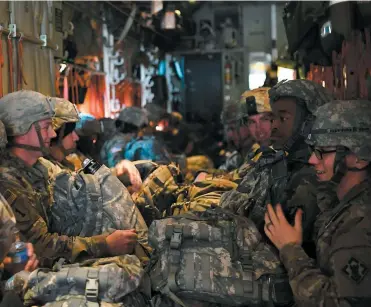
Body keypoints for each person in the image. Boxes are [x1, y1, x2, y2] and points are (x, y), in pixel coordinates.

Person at [0, 91, 144, 268]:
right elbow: (42, 247)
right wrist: (104, 245)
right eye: (46, 127)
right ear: (22, 129)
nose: (53, 134)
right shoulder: (8, 183)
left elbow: (80, 185)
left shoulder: (40, 166)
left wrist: (119, 172)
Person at [265, 99, 371, 306]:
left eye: (324, 151)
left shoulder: (360, 223)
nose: (313, 159)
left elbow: (336, 302)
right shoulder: (338, 199)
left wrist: (290, 248)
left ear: (359, 158)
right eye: (314, 149)